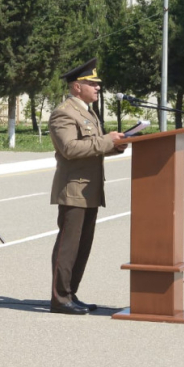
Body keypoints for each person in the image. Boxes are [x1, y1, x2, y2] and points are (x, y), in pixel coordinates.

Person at [48, 58, 127, 315]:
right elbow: (70, 149)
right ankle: (60, 298)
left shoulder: (88, 112)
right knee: (68, 247)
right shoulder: (64, 113)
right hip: (74, 189)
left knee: (83, 247)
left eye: (97, 84)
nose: (98, 87)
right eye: (92, 83)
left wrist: (115, 146)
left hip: (90, 190)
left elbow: (92, 148)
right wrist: (106, 141)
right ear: (76, 87)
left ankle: (71, 293)